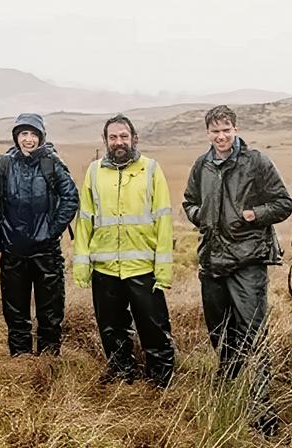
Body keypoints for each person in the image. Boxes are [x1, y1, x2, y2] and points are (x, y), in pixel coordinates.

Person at [182, 105, 291, 434]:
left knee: (254, 335)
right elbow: (189, 201)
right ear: (207, 133)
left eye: (226, 129)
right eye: (215, 131)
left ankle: (262, 410)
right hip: (213, 261)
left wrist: (253, 214)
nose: (221, 136)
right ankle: (228, 396)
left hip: (248, 261)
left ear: (235, 128)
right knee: (220, 333)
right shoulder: (202, 165)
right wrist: (199, 215)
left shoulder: (256, 162)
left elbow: (283, 203)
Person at [73, 114, 175, 386]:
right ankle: (121, 374)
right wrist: (82, 264)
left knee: (154, 327)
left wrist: (163, 269)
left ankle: (160, 380)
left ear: (134, 138)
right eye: (113, 137)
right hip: (105, 267)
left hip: (143, 266)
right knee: (111, 328)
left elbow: (164, 219)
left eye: (124, 136)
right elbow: (85, 220)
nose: (119, 142)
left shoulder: (151, 169)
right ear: (105, 141)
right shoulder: (94, 172)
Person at [0, 113, 79, 356]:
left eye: (33, 134)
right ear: (16, 137)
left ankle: (48, 365)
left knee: (50, 316)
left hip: (45, 253)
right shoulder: (5, 165)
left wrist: (51, 230)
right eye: (23, 134)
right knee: (16, 316)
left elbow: (71, 198)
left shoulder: (52, 163)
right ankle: (21, 364)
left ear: (41, 137)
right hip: (13, 252)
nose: (28, 139)